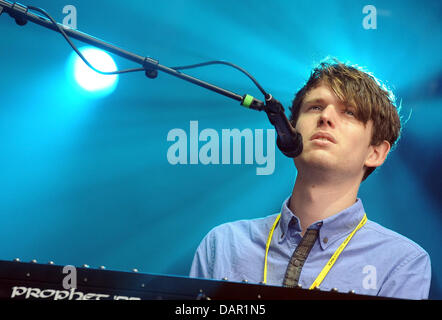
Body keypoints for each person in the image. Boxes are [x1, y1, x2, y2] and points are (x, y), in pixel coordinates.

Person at [189, 59, 431, 300]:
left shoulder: (402, 263)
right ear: (289, 133)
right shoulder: (222, 245)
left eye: (349, 112)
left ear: (375, 152)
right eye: (315, 107)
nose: (325, 116)